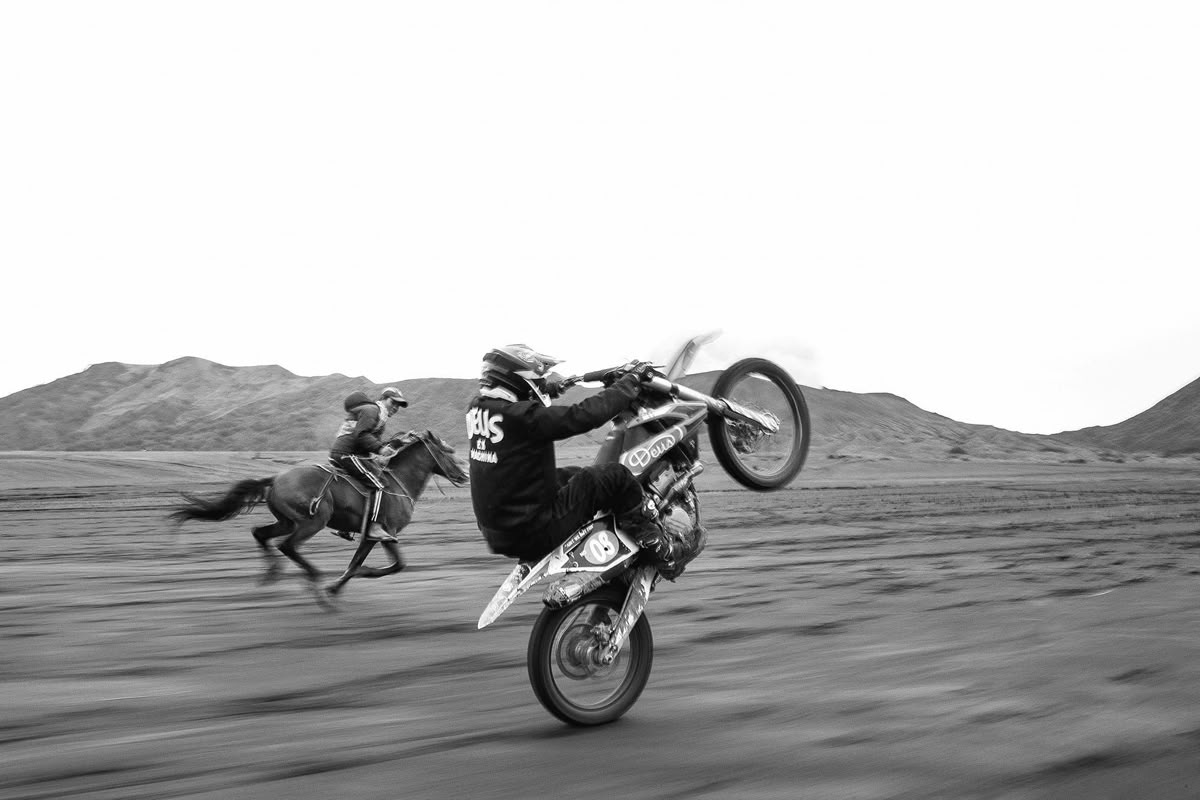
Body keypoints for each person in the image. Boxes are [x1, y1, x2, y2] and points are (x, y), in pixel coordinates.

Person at [465, 344, 687, 578]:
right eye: (537, 379)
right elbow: (583, 415)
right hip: (534, 533)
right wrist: (631, 382)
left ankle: (610, 531)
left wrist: (553, 388)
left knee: (574, 474)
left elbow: (528, 403)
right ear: (519, 380)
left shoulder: (478, 409)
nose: (540, 382)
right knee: (616, 476)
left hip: (499, 532)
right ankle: (660, 550)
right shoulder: (523, 418)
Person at [330, 386, 408, 542]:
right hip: (347, 454)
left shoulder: (379, 417)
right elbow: (361, 435)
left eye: (398, 405)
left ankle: (345, 528)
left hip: (350, 453)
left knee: (365, 484)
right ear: (383, 399)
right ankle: (374, 527)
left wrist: (397, 443)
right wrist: (380, 449)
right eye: (393, 402)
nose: (395, 407)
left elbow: (372, 442)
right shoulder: (372, 411)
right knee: (381, 484)